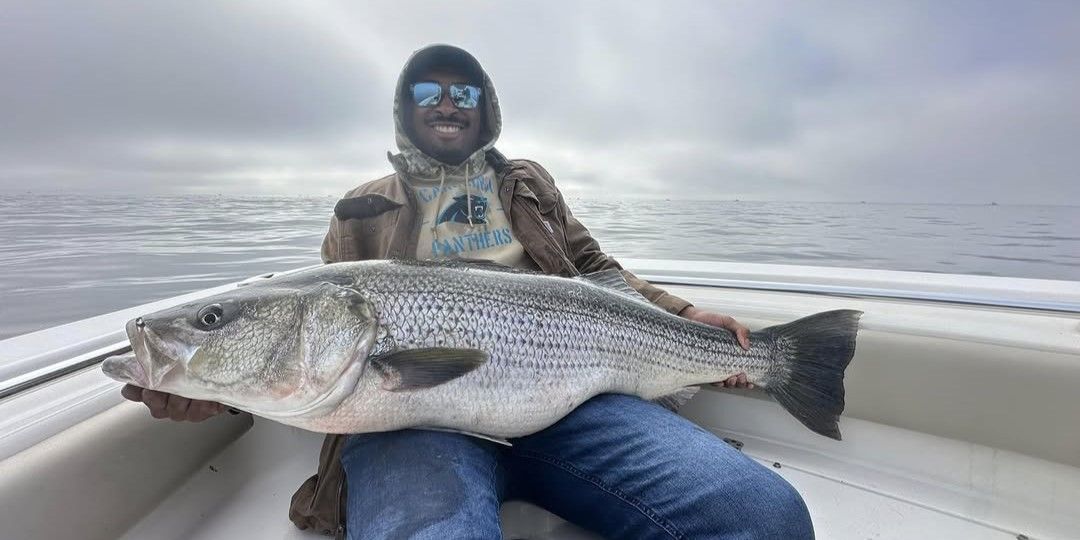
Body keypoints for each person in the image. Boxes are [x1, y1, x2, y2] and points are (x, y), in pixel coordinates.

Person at [123, 44, 813, 539]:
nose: (447, 103)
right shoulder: (359, 207)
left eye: (464, 92)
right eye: (427, 93)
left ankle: (787, 365)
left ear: (487, 112)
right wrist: (207, 384)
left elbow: (598, 268)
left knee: (764, 517)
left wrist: (688, 317)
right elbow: (295, 354)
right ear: (405, 113)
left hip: (575, 402)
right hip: (402, 428)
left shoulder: (529, 184)